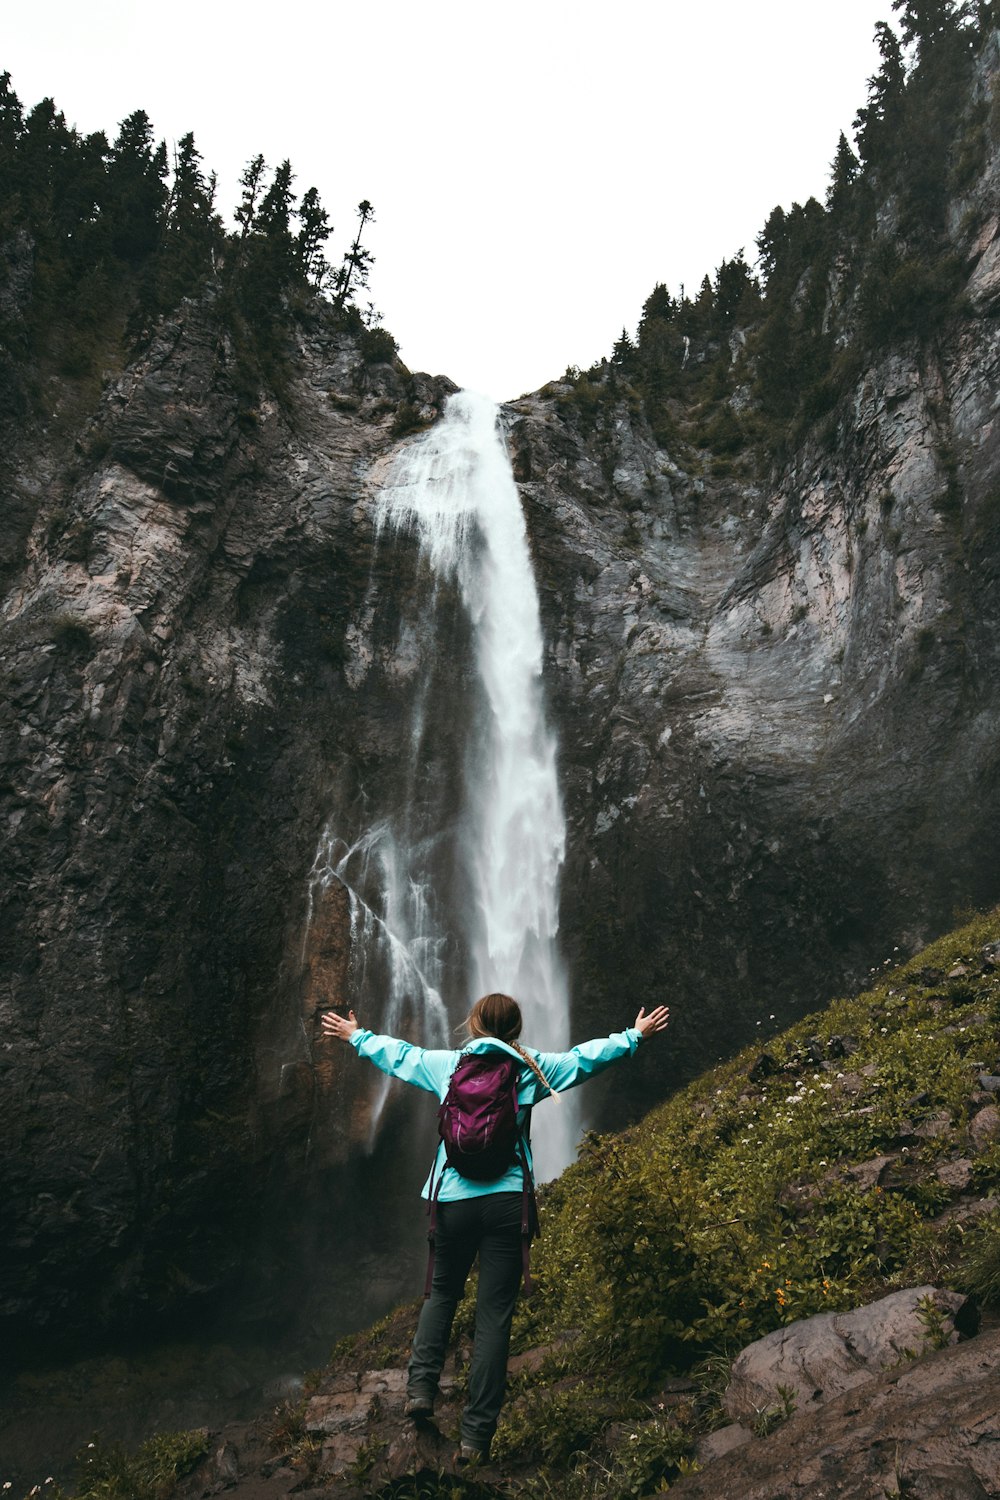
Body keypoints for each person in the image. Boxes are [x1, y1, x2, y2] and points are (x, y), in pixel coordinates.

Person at [321, 992, 670, 1463]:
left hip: (452, 1200)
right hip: (507, 1204)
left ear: (474, 1024)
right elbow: (584, 1059)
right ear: (516, 1030)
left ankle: (420, 1391)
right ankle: (476, 1438)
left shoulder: (447, 1065)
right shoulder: (532, 1067)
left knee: (442, 1293)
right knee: (493, 1318)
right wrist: (635, 1036)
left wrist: (355, 1035)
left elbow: (399, 1056)